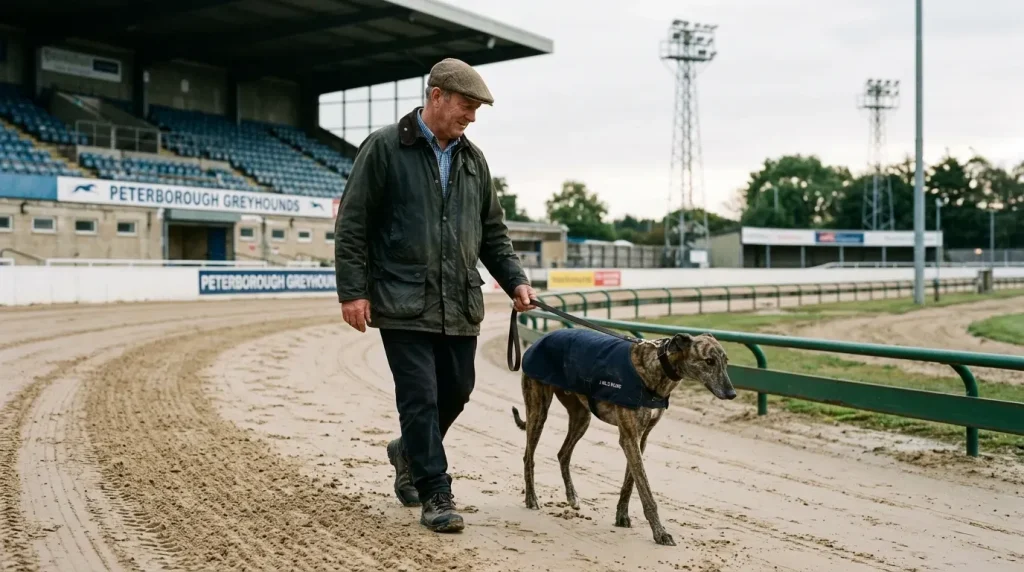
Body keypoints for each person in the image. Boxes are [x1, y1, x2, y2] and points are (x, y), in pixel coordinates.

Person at [333, 57, 537, 533]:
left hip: (459, 301)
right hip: (401, 299)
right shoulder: (384, 147)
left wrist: (515, 280)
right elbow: (353, 225)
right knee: (419, 397)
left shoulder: (474, 160)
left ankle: (407, 451)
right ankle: (435, 491)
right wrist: (352, 291)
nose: (471, 117)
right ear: (437, 96)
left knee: (458, 390)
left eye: (477, 110)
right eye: (466, 106)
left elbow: (493, 234)